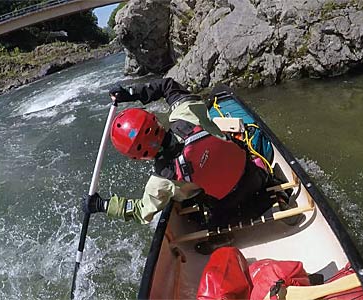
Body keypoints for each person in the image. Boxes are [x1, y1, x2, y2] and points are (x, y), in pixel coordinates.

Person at [82, 78, 288, 229]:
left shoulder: (160, 181)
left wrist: (102, 205)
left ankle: (226, 231)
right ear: (153, 119)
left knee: (194, 212)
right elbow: (167, 86)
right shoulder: (187, 113)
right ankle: (273, 189)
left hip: (231, 207)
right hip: (255, 176)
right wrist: (130, 92)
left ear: (136, 157)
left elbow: (140, 211)